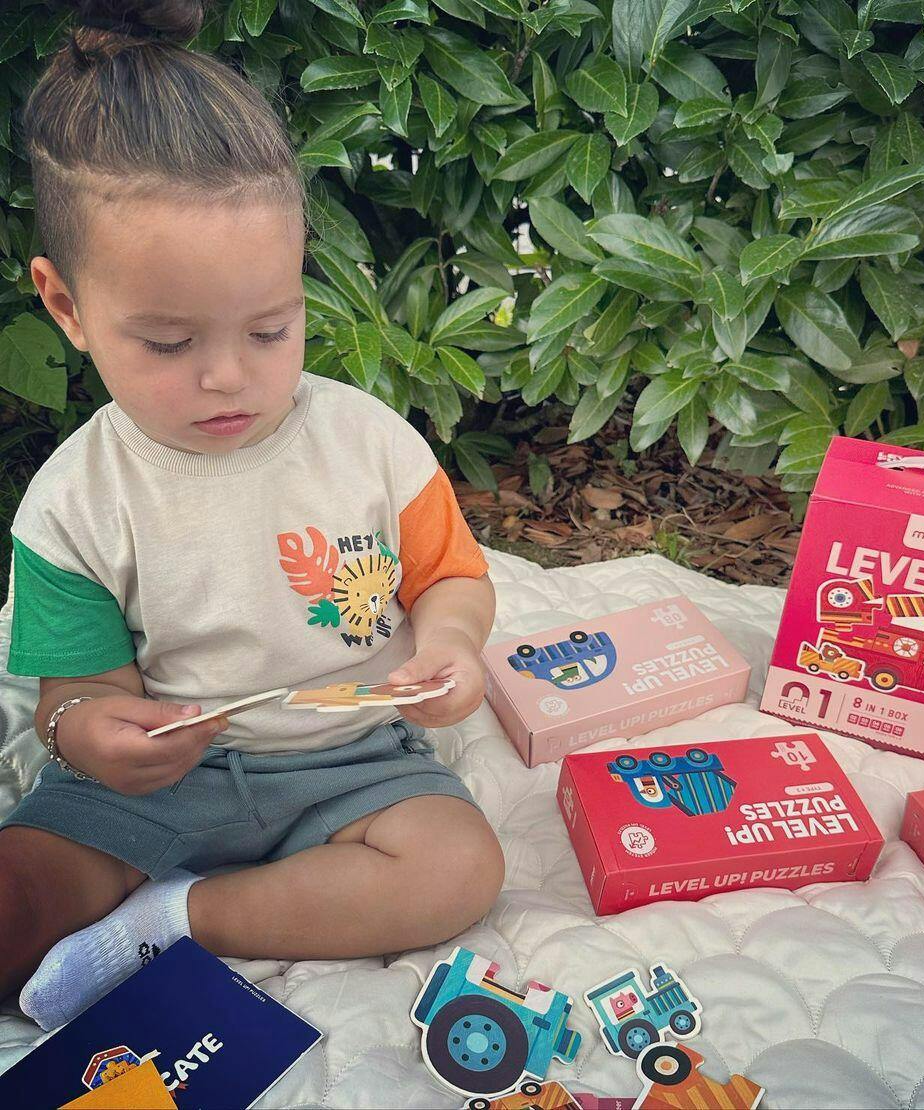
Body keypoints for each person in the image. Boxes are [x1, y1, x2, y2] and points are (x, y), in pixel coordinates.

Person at [0, 0, 504, 1032]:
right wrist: (91, 733)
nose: (228, 376)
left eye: (270, 329)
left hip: (353, 764)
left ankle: (176, 921)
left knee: (458, 870)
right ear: (67, 307)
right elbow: (72, 694)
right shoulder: (73, 502)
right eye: (168, 343)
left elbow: (450, 578)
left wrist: (451, 646)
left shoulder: (369, 444)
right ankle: (167, 894)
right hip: (157, 784)